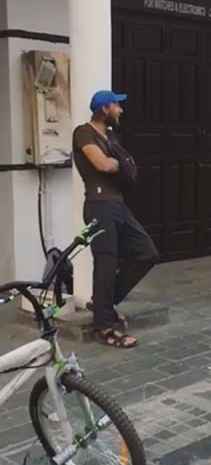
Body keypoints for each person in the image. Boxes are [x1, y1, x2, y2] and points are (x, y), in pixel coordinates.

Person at [72, 90, 159, 348]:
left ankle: (104, 303)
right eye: (117, 106)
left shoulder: (111, 137)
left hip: (118, 204)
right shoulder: (84, 133)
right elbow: (102, 165)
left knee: (147, 252)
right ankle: (105, 327)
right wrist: (120, 164)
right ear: (104, 109)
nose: (120, 111)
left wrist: (119, 163)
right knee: (106, 262)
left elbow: (119, 164)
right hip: (99, 206)